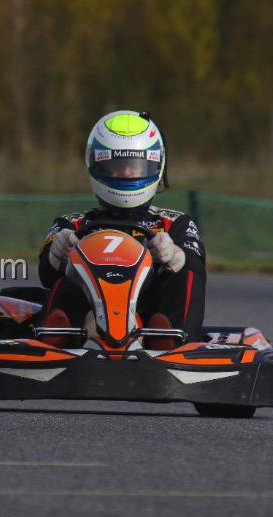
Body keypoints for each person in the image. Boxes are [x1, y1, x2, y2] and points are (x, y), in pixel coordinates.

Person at [37, 110, 205, 348]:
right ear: (96, 164)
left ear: (156, 164)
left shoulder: (174, 223)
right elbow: (45, 275)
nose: (127, 173)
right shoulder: (71, 224)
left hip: (149, 316)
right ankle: (55, 337)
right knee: (68, 272)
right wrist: (56, 255)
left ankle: (174, 340)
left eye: (135, 167)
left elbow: (197, 268)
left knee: (186, 275)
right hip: (86, 319)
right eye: (118, 166)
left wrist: (175, 256)